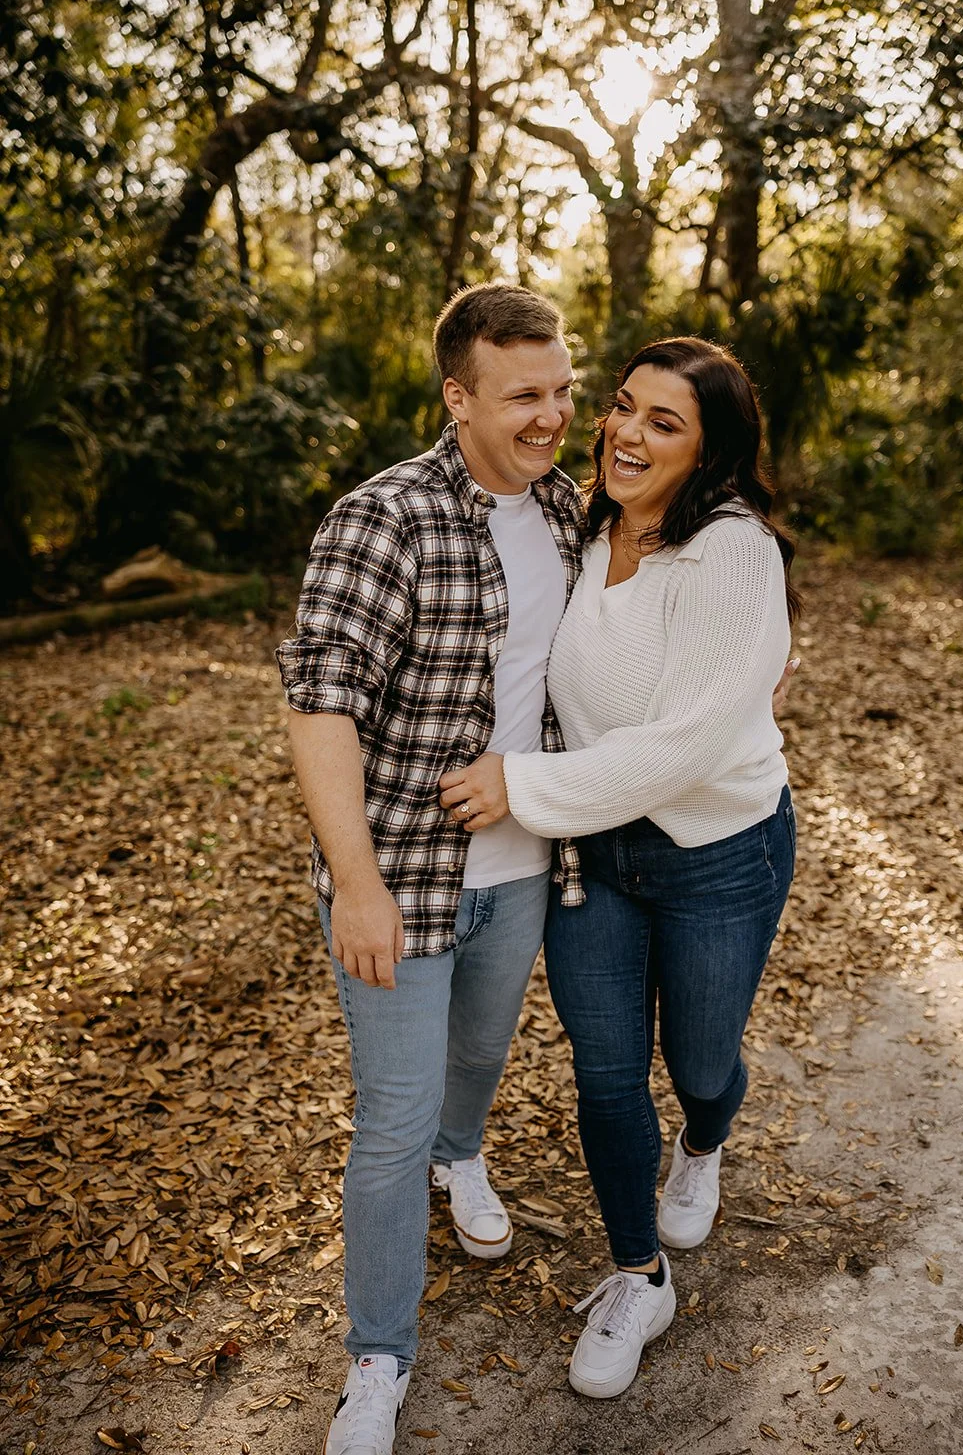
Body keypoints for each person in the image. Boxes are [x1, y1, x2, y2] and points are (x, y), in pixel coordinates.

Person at [439, 336, 799, 1402]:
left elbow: (684, 743)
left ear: (711, 451)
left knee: (695, 1061)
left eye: (663, 422)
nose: (625, 433)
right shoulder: (582, 526)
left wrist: (522, 787)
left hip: (715, 851)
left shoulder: (733, 549)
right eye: (623, 407)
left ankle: (704, 1137)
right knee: (603, 1074)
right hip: (590, 859)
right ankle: (638, 1274)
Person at [276, 284, 586, 1455]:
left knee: (478, 1057)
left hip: (524, 868)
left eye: (562, 388)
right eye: (524, 396)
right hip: (398, 872)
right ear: (457, 398)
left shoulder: (567, 510)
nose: (554, 414)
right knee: (391, 1121)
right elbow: (321, 709)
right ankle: (377, 1355)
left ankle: (469, 1159)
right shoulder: (383, 518)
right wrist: (355, 882)